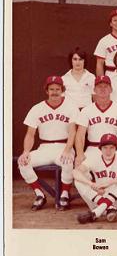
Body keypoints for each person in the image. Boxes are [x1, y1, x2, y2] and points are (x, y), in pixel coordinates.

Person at [18, 76, 79, 211]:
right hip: (44, 148)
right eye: (51, 89)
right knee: (23, 162)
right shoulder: (37, 108)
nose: (54, 92)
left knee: (67, 160)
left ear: (62, 90)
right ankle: (39, 194)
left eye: (58, 89)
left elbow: (72, 132)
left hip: (64, 146)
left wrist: (67, 150)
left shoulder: (71, 106)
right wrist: (26, 151)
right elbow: (30, 134)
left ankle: (64, 194)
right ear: (46, 91)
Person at [74, 134, 117, 224]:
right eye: (105, 148)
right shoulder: (94, 158)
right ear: (100, 149)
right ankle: (109, 209)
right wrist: (92, 184)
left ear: (116, 148)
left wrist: (109, 183)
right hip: (98, 198)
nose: (108, 151)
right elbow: (75, 172)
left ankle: (98, 212)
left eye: (111, 148)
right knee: (78, 180)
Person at [74, 75, 117, 167]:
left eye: (106, 86)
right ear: (94, 90)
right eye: (99, 86)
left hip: (113, 148)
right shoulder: (86, 110)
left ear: (111, 89)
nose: (103, 89)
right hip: (93, 148)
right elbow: (80, 135)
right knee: (79, 167)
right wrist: (80, 154)